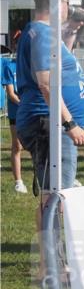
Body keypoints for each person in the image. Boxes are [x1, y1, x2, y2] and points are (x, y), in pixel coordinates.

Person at [15, 0, 84, 211]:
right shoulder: (43, 34)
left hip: (49, 122)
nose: (68, 7)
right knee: (56, 198)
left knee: (53, 195)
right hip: (50, 124)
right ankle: (53, 247)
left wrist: (70, 33)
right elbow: (46, 84)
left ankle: (52, 247)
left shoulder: (44, 32)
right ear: (57, 3)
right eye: (67, 2)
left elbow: (58, 65)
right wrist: (70, 124)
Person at [2, 35, 27, 193]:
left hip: (33, 109)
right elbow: (11, 94)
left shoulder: (33, 65)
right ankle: (18, 181)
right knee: (17, 145)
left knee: (36, 146)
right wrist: (24, 105)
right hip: (17, 110)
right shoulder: (9, 66)